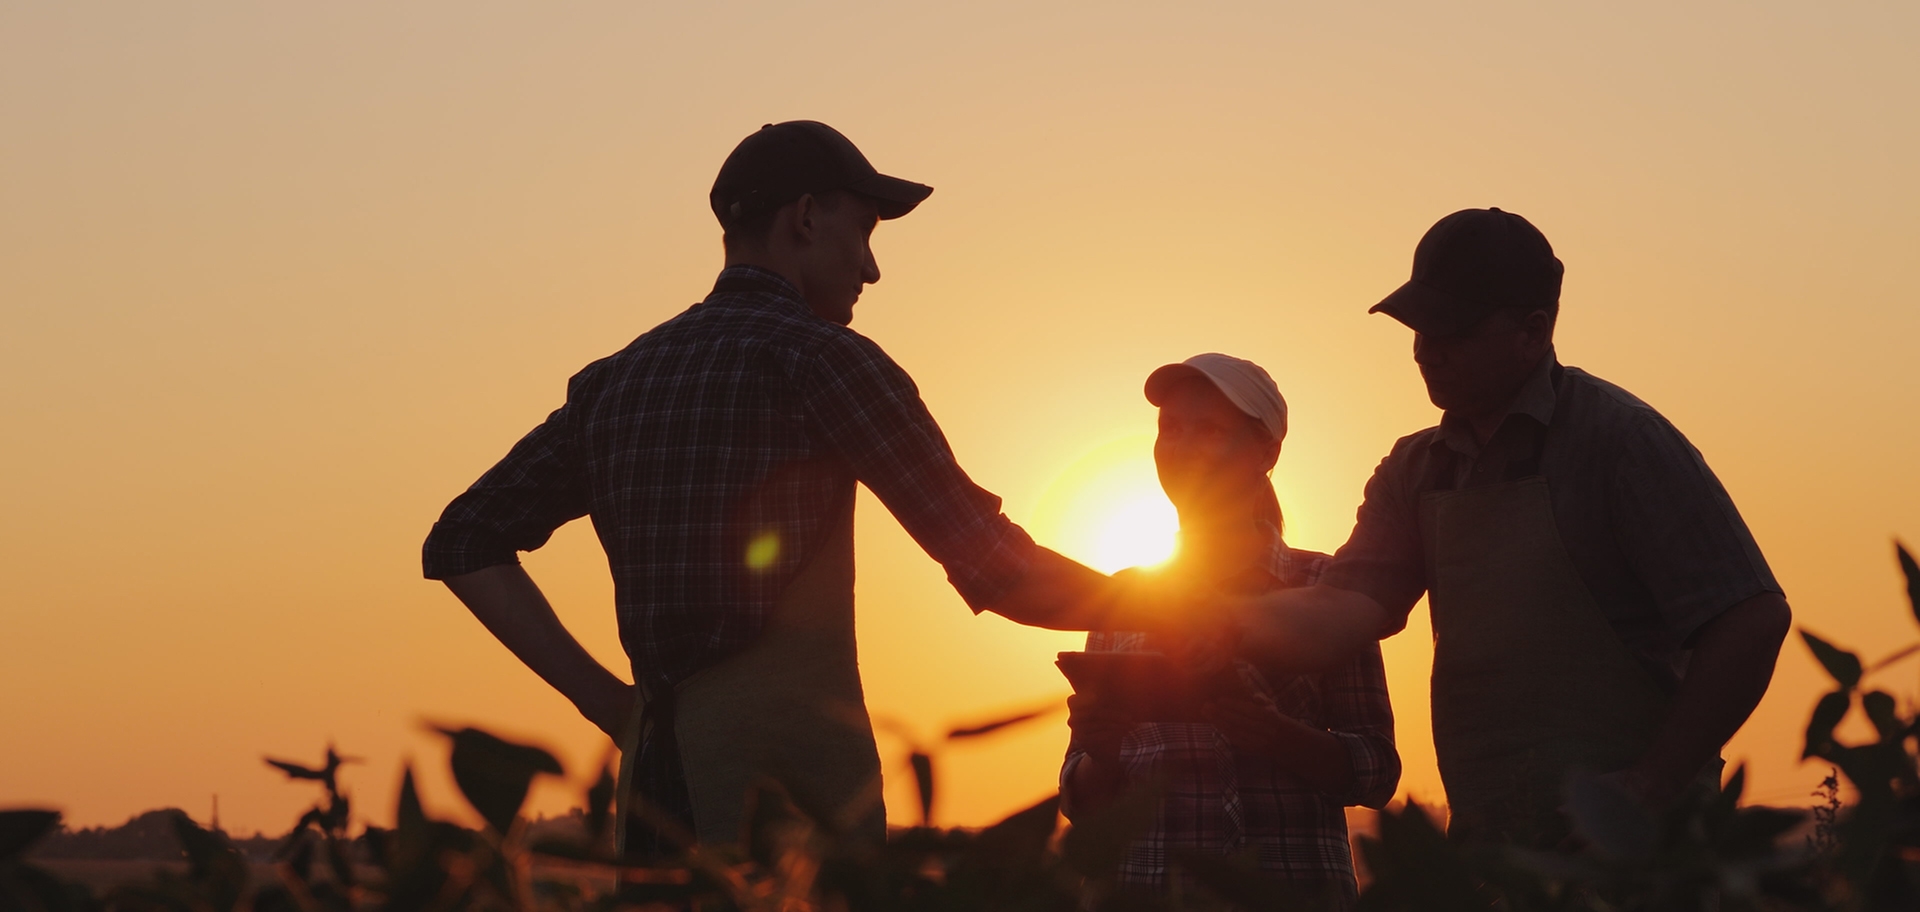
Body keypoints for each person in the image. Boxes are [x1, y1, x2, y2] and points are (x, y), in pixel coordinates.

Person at [420, 121, 1146, 858]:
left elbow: (463, 540)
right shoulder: (824, 362)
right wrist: (1176, 615)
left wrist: (611, 705)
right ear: (804, 218)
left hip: (653, 798)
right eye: (862, 231)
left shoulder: (617, 381)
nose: (871, 269)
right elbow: (1000, 569)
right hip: (793, 820)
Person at [1225, 209, 1792, 844]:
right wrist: (1193, 615)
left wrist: (1648, 790)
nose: (1426, 348)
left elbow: (1751, 619)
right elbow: (1341, 612)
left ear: (1534, 330)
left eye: (1452, 328)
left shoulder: (1622, 442)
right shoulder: (1415, 471)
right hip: (1491, 851)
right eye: (1417, 325)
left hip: (1641, 860)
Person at [1060, 354, 1399, 904]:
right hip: (1147, 892)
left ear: (1267, 452)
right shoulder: (1121, 598)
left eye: (1210, 429)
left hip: (1293, 891)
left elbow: (1377, 770)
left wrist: (1276, 735)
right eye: (1171, 428)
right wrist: (1102, 748)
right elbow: (1080, 799)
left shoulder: (1327, 589)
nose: (1183, 446)